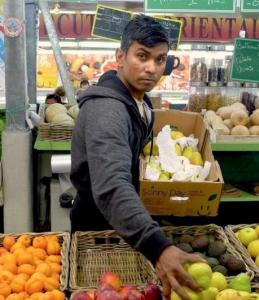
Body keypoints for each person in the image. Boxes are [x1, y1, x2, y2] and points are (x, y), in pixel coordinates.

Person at [70, 14, 204, 300]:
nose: (151, 68)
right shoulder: (108, 110)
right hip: (100, 236)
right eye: (142, 56)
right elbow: (111, 185)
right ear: (120, 57)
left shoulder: (139, 101)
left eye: (159, 59)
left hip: (123, 225)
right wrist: (157, 246)